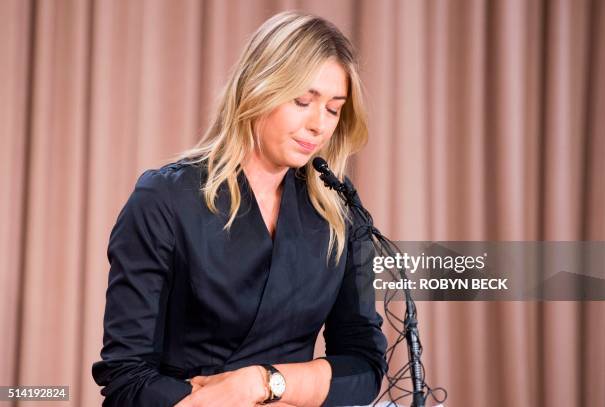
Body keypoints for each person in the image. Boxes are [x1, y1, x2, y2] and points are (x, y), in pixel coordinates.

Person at [92, 11, 387, 407]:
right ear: (257, 90)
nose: (320, 124)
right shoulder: (164, 198)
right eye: (303, 101)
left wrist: (263, 383)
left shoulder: (339, 207)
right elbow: (126, 376)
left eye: (334, 109)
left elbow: (364, 366)